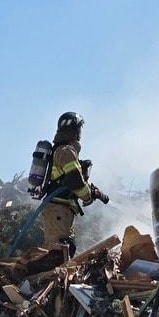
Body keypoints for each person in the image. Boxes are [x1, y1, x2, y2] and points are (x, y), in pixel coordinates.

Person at [36, 111, 95, 258]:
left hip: (60, 212)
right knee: (57, 255)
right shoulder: (67, 151)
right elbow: (75, 182)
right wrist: (88, 196)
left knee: (65, 251)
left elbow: (70, 178)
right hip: (58, 211)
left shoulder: (60, 150)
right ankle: (31, 278)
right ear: (75, 130)